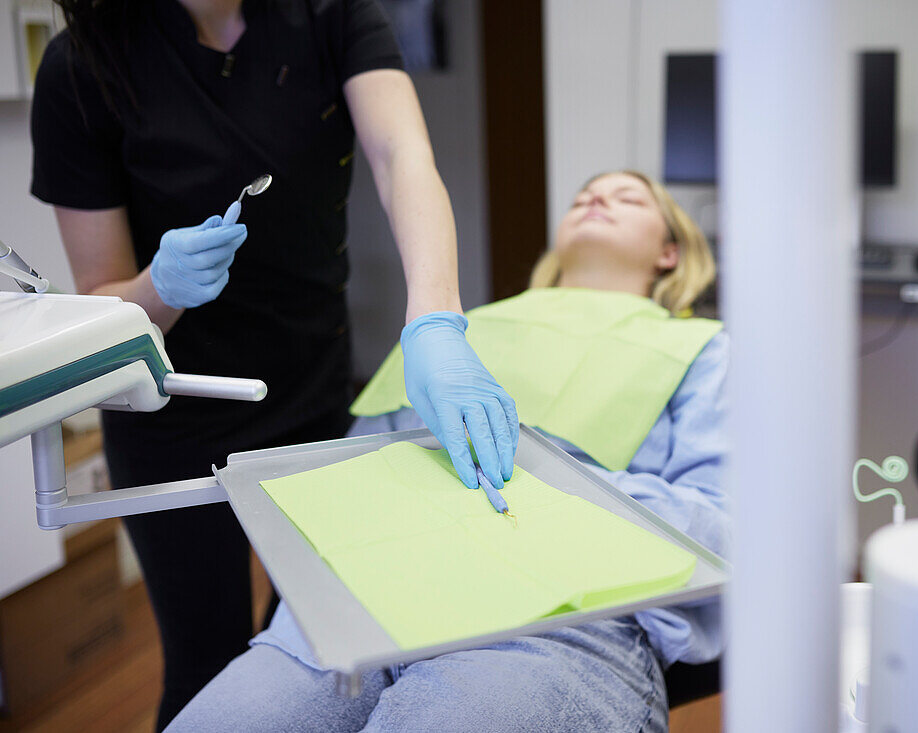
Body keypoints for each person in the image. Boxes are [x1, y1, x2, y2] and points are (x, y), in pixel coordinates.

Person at [29, 0, 516, 728]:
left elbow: (400, 154)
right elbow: (104, 297)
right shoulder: (82, 66)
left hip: (312, 391)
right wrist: (157, 290)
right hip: (171, 417)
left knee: (312, 651)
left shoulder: (335, 16)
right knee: (208, 667)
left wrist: (435, 318)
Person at [166, 171, 730, 733]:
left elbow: (727, 527)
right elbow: (341, 486)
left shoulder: (705, 350)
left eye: (627, 197)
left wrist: (551, 480)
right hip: (368, 601)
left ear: (670, 252)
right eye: (583, 195)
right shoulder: (442, 335)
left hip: (557, 620)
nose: (596, 197)